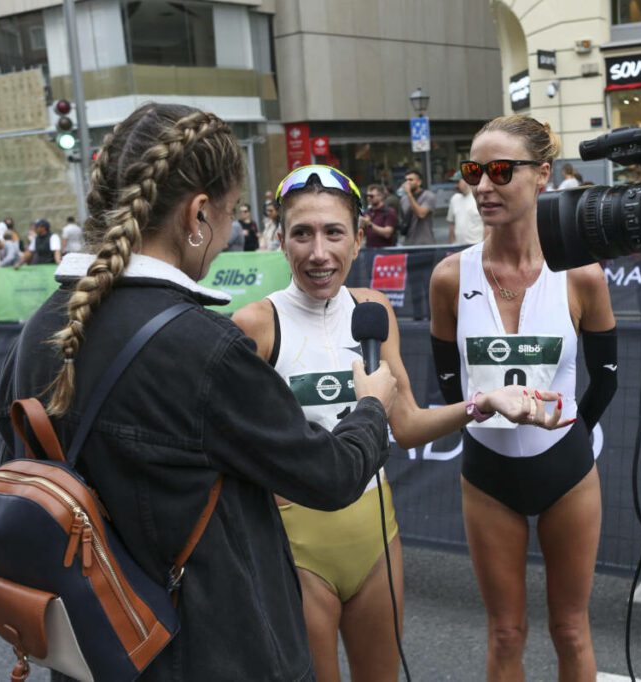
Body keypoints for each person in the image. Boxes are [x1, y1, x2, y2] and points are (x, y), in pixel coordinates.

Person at [0, 104, 397, 681]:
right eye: (232, 214)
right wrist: (372, 407)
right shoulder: (201, 346)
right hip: (212, 647)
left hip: (94, 643)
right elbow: (329, 474)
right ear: (199, 213)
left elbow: (13, 458)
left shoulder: (43, 324)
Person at [232, 164, 570, 682]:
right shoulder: (255, 324)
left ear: (360, 237)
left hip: (375, 533)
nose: (318, 252)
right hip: (296, 543)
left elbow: (407, 424)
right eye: (302, 233)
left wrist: (484, 403)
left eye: (333, 232)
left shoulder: (372, 311)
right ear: (280, 238)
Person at [430, 116, 619, 680]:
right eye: (473, 172)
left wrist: (570, 431)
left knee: (571, 630)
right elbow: (447, 382)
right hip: (488, 475)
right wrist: (481, 413)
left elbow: (605, 377)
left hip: (567, 472)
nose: (483, 186)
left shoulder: (582, 274)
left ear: (542, 176)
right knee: (506, 634)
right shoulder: (448, 277)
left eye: (500, 172)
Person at [447, 170, 485, 245]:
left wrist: (484, 248)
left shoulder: (479, 198)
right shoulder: (454, 199)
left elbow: (488, 226)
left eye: (458, 182)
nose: (456, 186)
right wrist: (451, 244)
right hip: (458, 247)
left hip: (476, 245)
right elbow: (451, 223)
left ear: (467, 181)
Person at [399, 170, 436, 245]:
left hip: (425, 243)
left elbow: (421, 214)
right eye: (406, 180)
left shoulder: (428, 196)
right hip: (408, 243)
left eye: (411, 180)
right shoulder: (403, 199)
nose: (407, 183)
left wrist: (409, 194)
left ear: (419, 182)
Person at [360, 183, 398, 248]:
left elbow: (387, 233)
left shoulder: (389, 212)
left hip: (386, 251)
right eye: (367, 196)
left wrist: (369, 224)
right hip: (369, 250)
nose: (369, 198)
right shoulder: (368, 212)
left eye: (371, 196)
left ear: (381, 196)